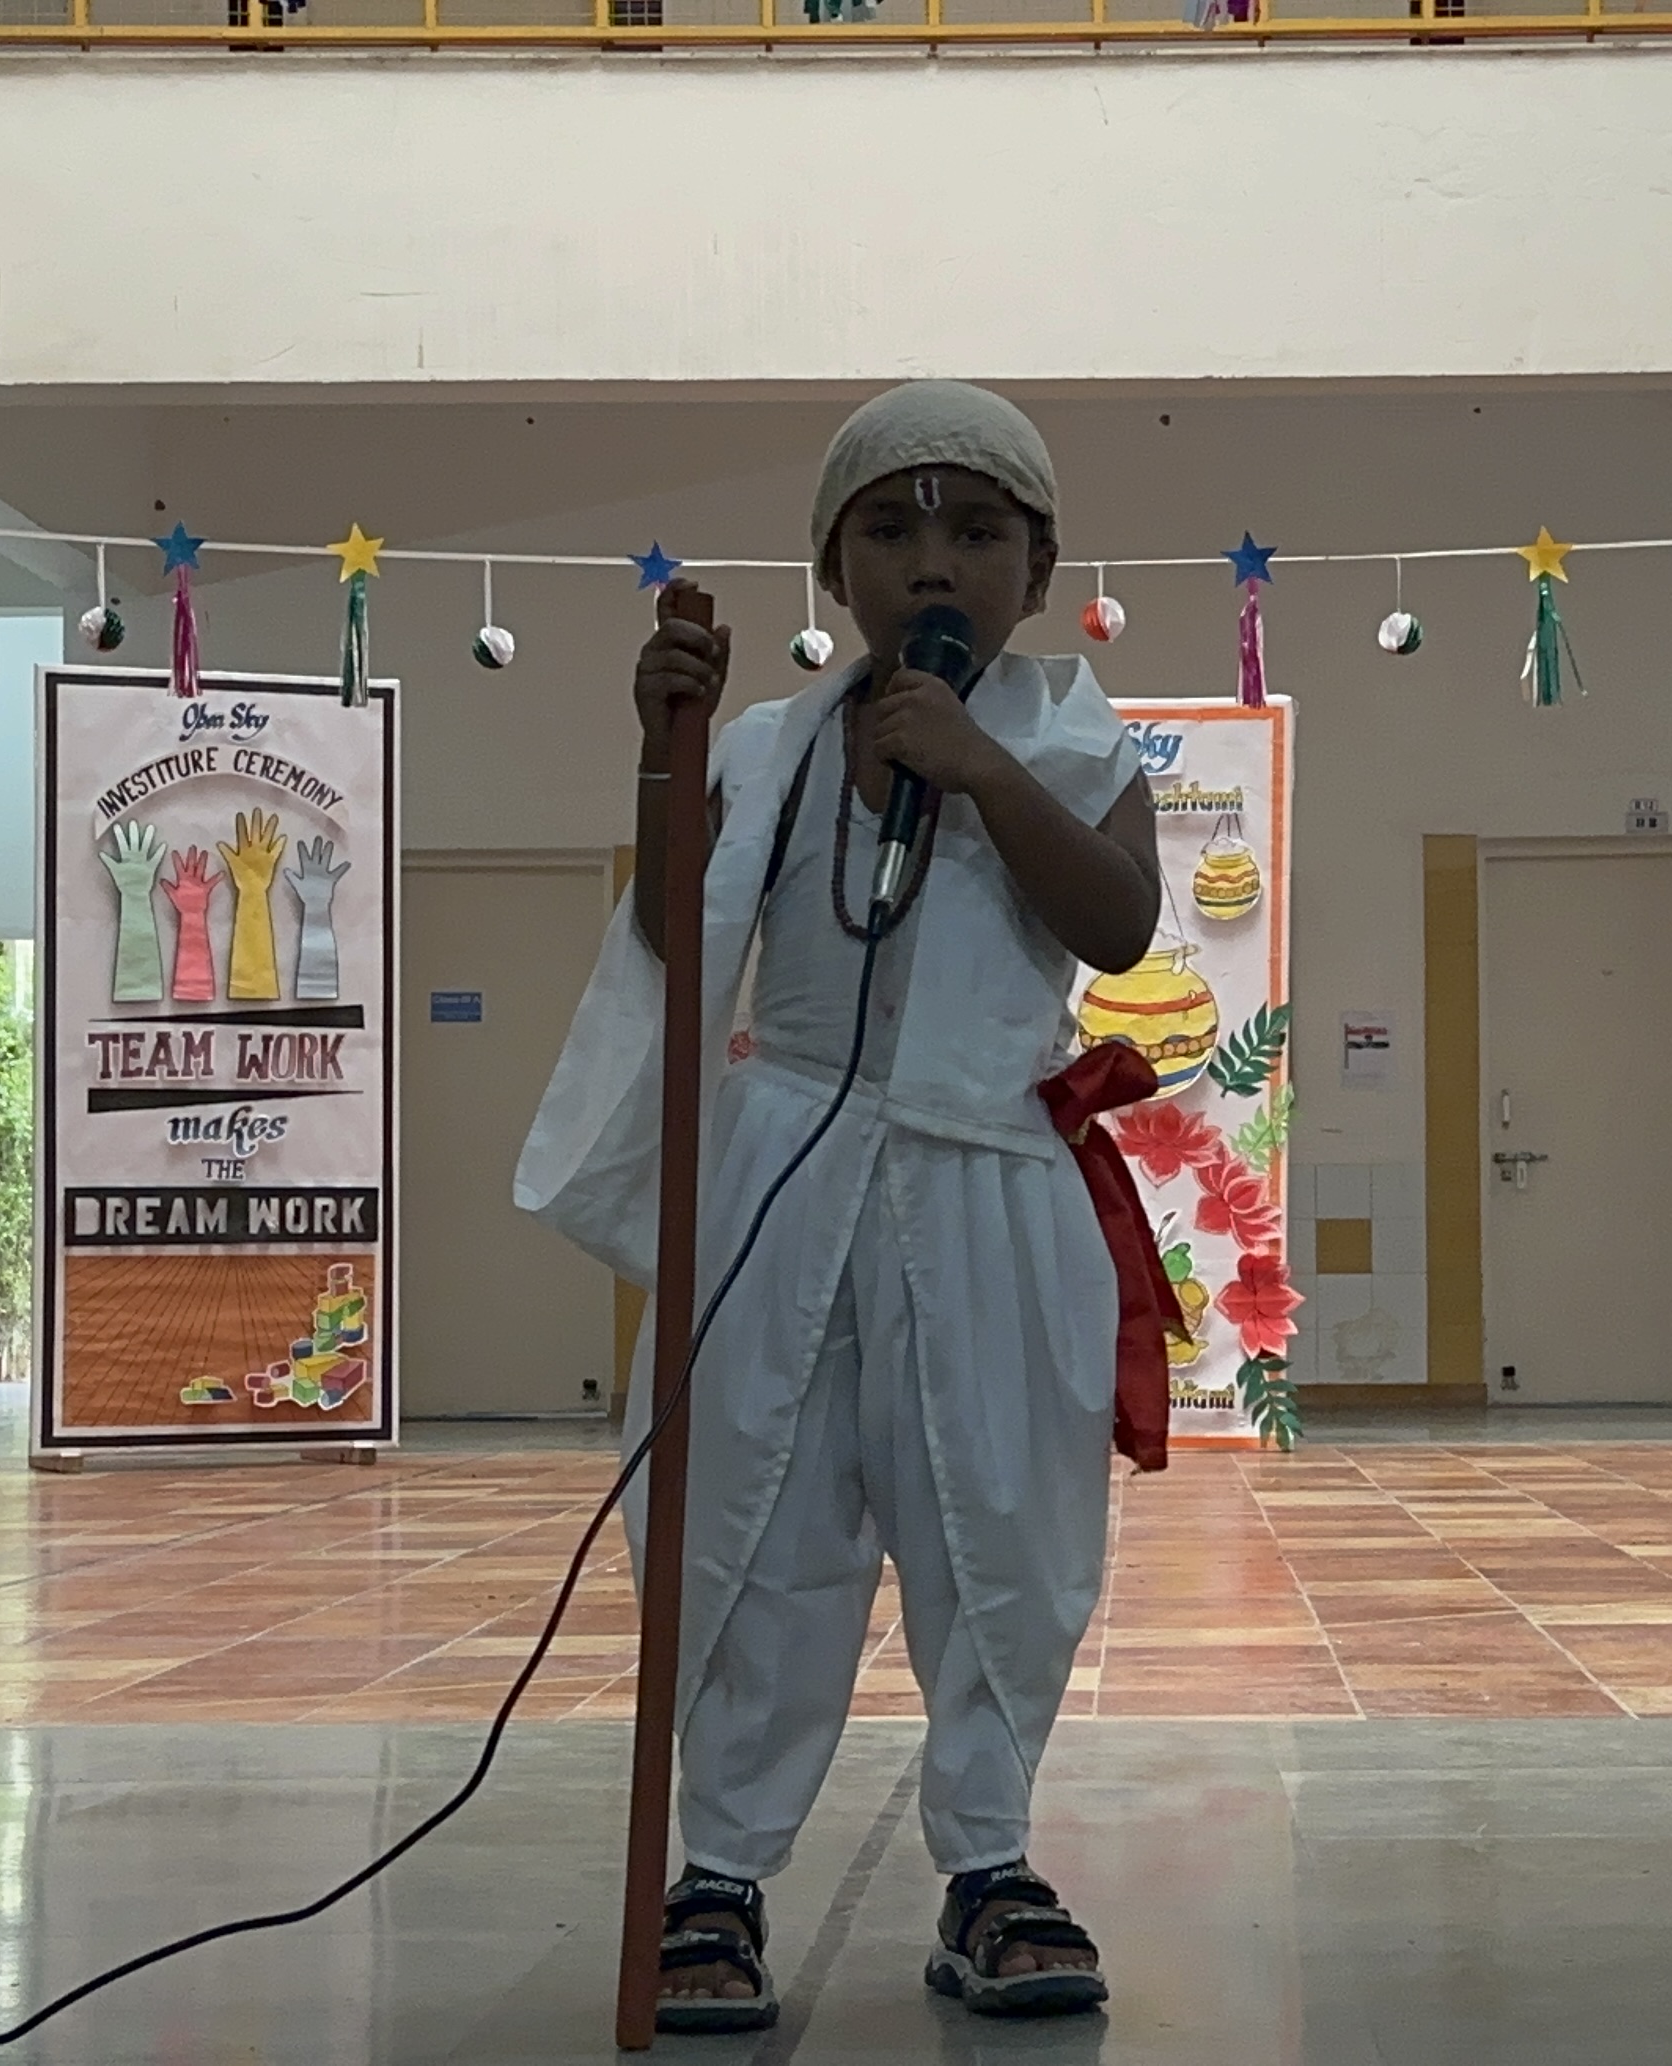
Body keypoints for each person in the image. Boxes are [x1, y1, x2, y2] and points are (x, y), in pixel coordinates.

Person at [515, 380, 1162, 2034]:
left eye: (976, 531)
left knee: (998, 1526)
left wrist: (979, 769)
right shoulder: (766, 746)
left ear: (1038, 567)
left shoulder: (1081, 739)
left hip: (988, 1179)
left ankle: (992, 1862)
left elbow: (1117, 925)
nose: (933, 562)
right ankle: (719, 1873)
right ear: (831, 569)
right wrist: (658, 751)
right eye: (889, 530)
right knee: (755, 1521)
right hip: (785, 1177)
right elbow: (678, 931)